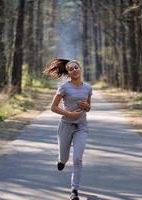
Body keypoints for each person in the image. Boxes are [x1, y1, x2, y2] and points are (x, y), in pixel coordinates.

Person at [43, 58, 92, 200]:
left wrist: (86, 107)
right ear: (68, 73)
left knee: (77, 158)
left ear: (80, 69)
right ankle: (61, 160)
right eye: (70, 69)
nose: (74, 70)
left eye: (76, 67)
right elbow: (53, 107)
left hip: (81, 126)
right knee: (64, 157)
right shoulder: (64, 88)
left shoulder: (88, 88)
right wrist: (69, 114)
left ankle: (74, 190)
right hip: (65, 126)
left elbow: (88, 108)